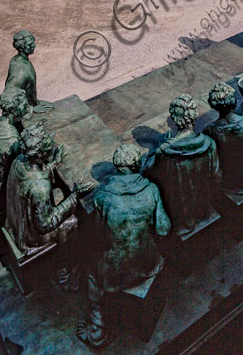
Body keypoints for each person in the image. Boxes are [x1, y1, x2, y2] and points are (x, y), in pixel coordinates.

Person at [77, 143, 171, 348]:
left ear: (117, 167)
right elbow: (164, 228)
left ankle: (98, 324)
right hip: (147, 262)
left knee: (92, 271)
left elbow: (99, 235)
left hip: (116, 270)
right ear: (137, 165)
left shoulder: (102, 196)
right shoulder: (151, 189)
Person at [5, 122, 94, 254]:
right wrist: (75, 196)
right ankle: (65, 268)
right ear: (41, 153)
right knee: (73, 222)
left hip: (15, 223)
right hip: (30, 238)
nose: (52, 146)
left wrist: (53, 165)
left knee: (58, 194)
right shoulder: (40, 187)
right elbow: (46, 224)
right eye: (49, 146)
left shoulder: (19, 161)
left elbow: (33, 176)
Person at [142, 94, 220, 237]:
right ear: (194, 117)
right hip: (202, 205)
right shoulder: (209, 144)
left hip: (180, 214)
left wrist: (157, 148)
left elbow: (147, 171)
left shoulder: (165, 151)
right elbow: (217, 177)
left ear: (175, 120)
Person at [4, 30, 53, 112]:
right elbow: (9, 97)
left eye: (33, 43)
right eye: (30, 44)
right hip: (25, 112)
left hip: (33, 102)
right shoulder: (20, 73)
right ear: (21, 47)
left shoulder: (18, 59)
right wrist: (31, 109)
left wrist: (34, 102)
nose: (34, 46)